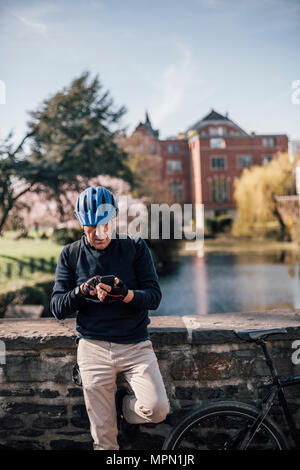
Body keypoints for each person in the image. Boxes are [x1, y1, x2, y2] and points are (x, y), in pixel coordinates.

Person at [50, 186, 169, 450]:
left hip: (136, 346)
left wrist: (124, 295)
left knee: (157, 408)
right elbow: (57, 307)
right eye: (91, 226)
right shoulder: (71, 255)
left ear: (114, 218)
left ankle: (124, 407)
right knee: (104, 441)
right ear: (82, 224)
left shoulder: (135, 247)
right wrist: (82, 291)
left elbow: (154, 296)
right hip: (93, 349)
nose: (99, 232)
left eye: (104, 224)